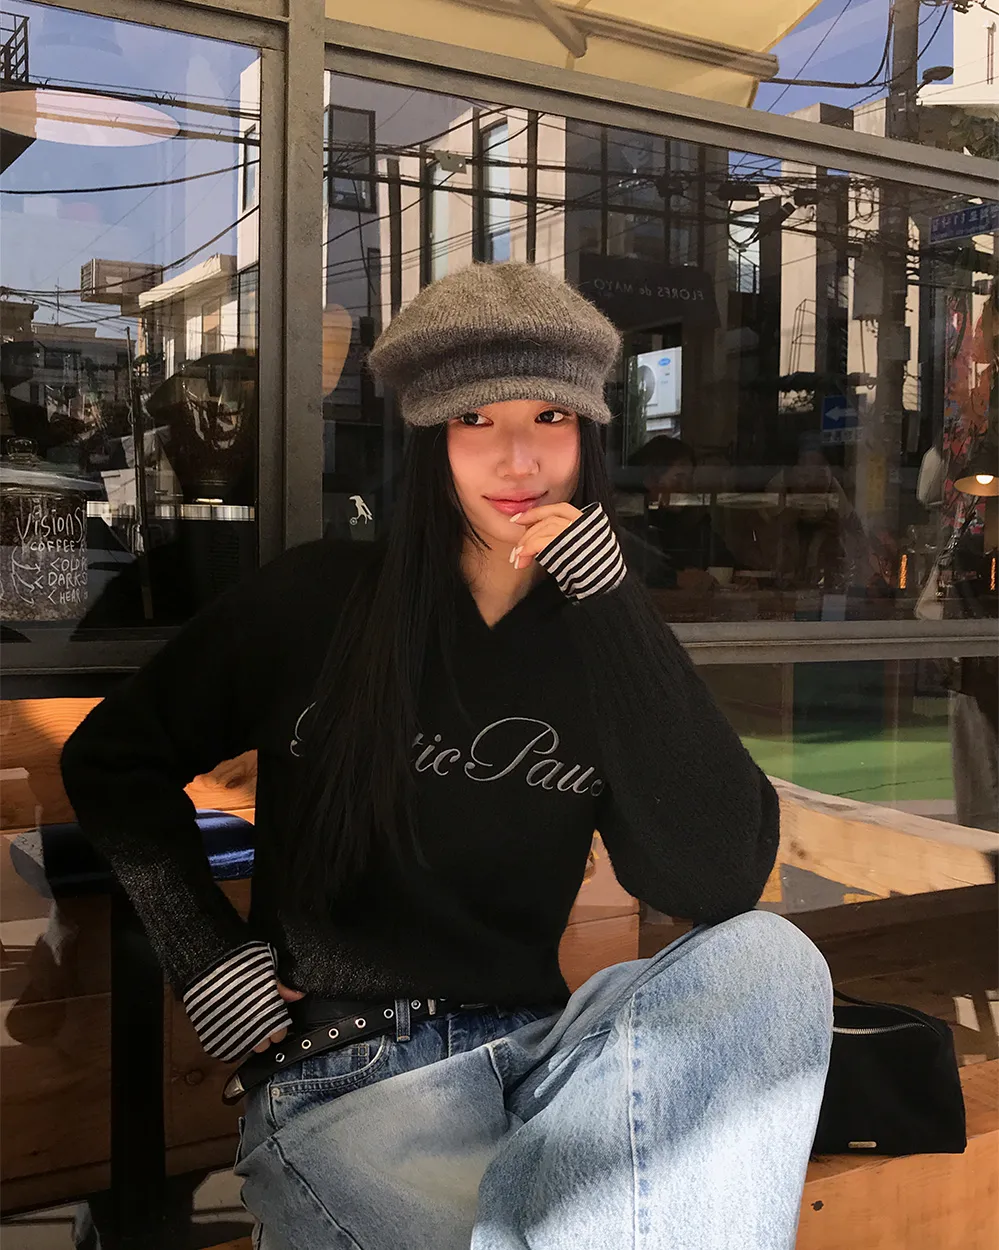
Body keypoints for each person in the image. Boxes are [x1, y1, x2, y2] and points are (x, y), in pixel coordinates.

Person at [61, 262, 832, 1250]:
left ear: (590, 433)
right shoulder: (317, 601)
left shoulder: (602, 640)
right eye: (477, 420)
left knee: (772, 958)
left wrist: (614, 608)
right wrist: (203, 948)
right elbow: (114, 756)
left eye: (551, 416)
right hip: (350, 1078)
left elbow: (713, 877)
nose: (518, 457)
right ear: (433, 438)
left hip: (547, 1059)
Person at [621, 435, 741, 590]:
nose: (685, 487)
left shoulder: (692, 524)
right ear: (650, 480)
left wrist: (741, 575)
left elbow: (723, 560)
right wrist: (674, 579)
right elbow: (630, 573)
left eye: (689, 479)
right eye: (678, 478)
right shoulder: (631, 523)